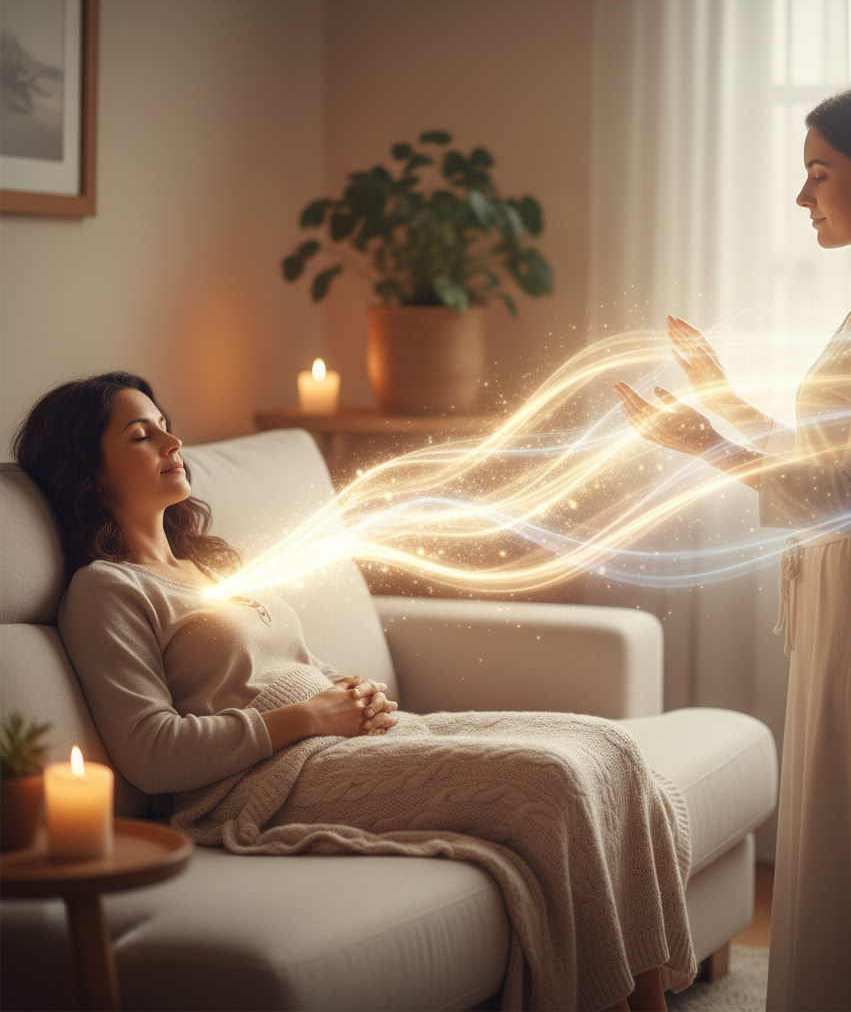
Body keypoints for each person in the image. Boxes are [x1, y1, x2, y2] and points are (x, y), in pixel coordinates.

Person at [13, 370, 698, 1012]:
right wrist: (306, 716)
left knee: (606, 744)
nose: (173, 442)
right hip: (263, 780)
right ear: (89, 473)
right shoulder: (106, 590)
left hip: (340, 736)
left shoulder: (212, 565)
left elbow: (298, 661)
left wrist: (351, 692)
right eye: (141, 436)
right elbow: (152, 753)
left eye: (165, 424)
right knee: (549, 781)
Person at [614, 82, 851, 1011]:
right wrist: (718, 397)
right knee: (849, 844)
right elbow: (824, 458)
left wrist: (705, 445)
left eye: (818, 173)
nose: (803, 196)